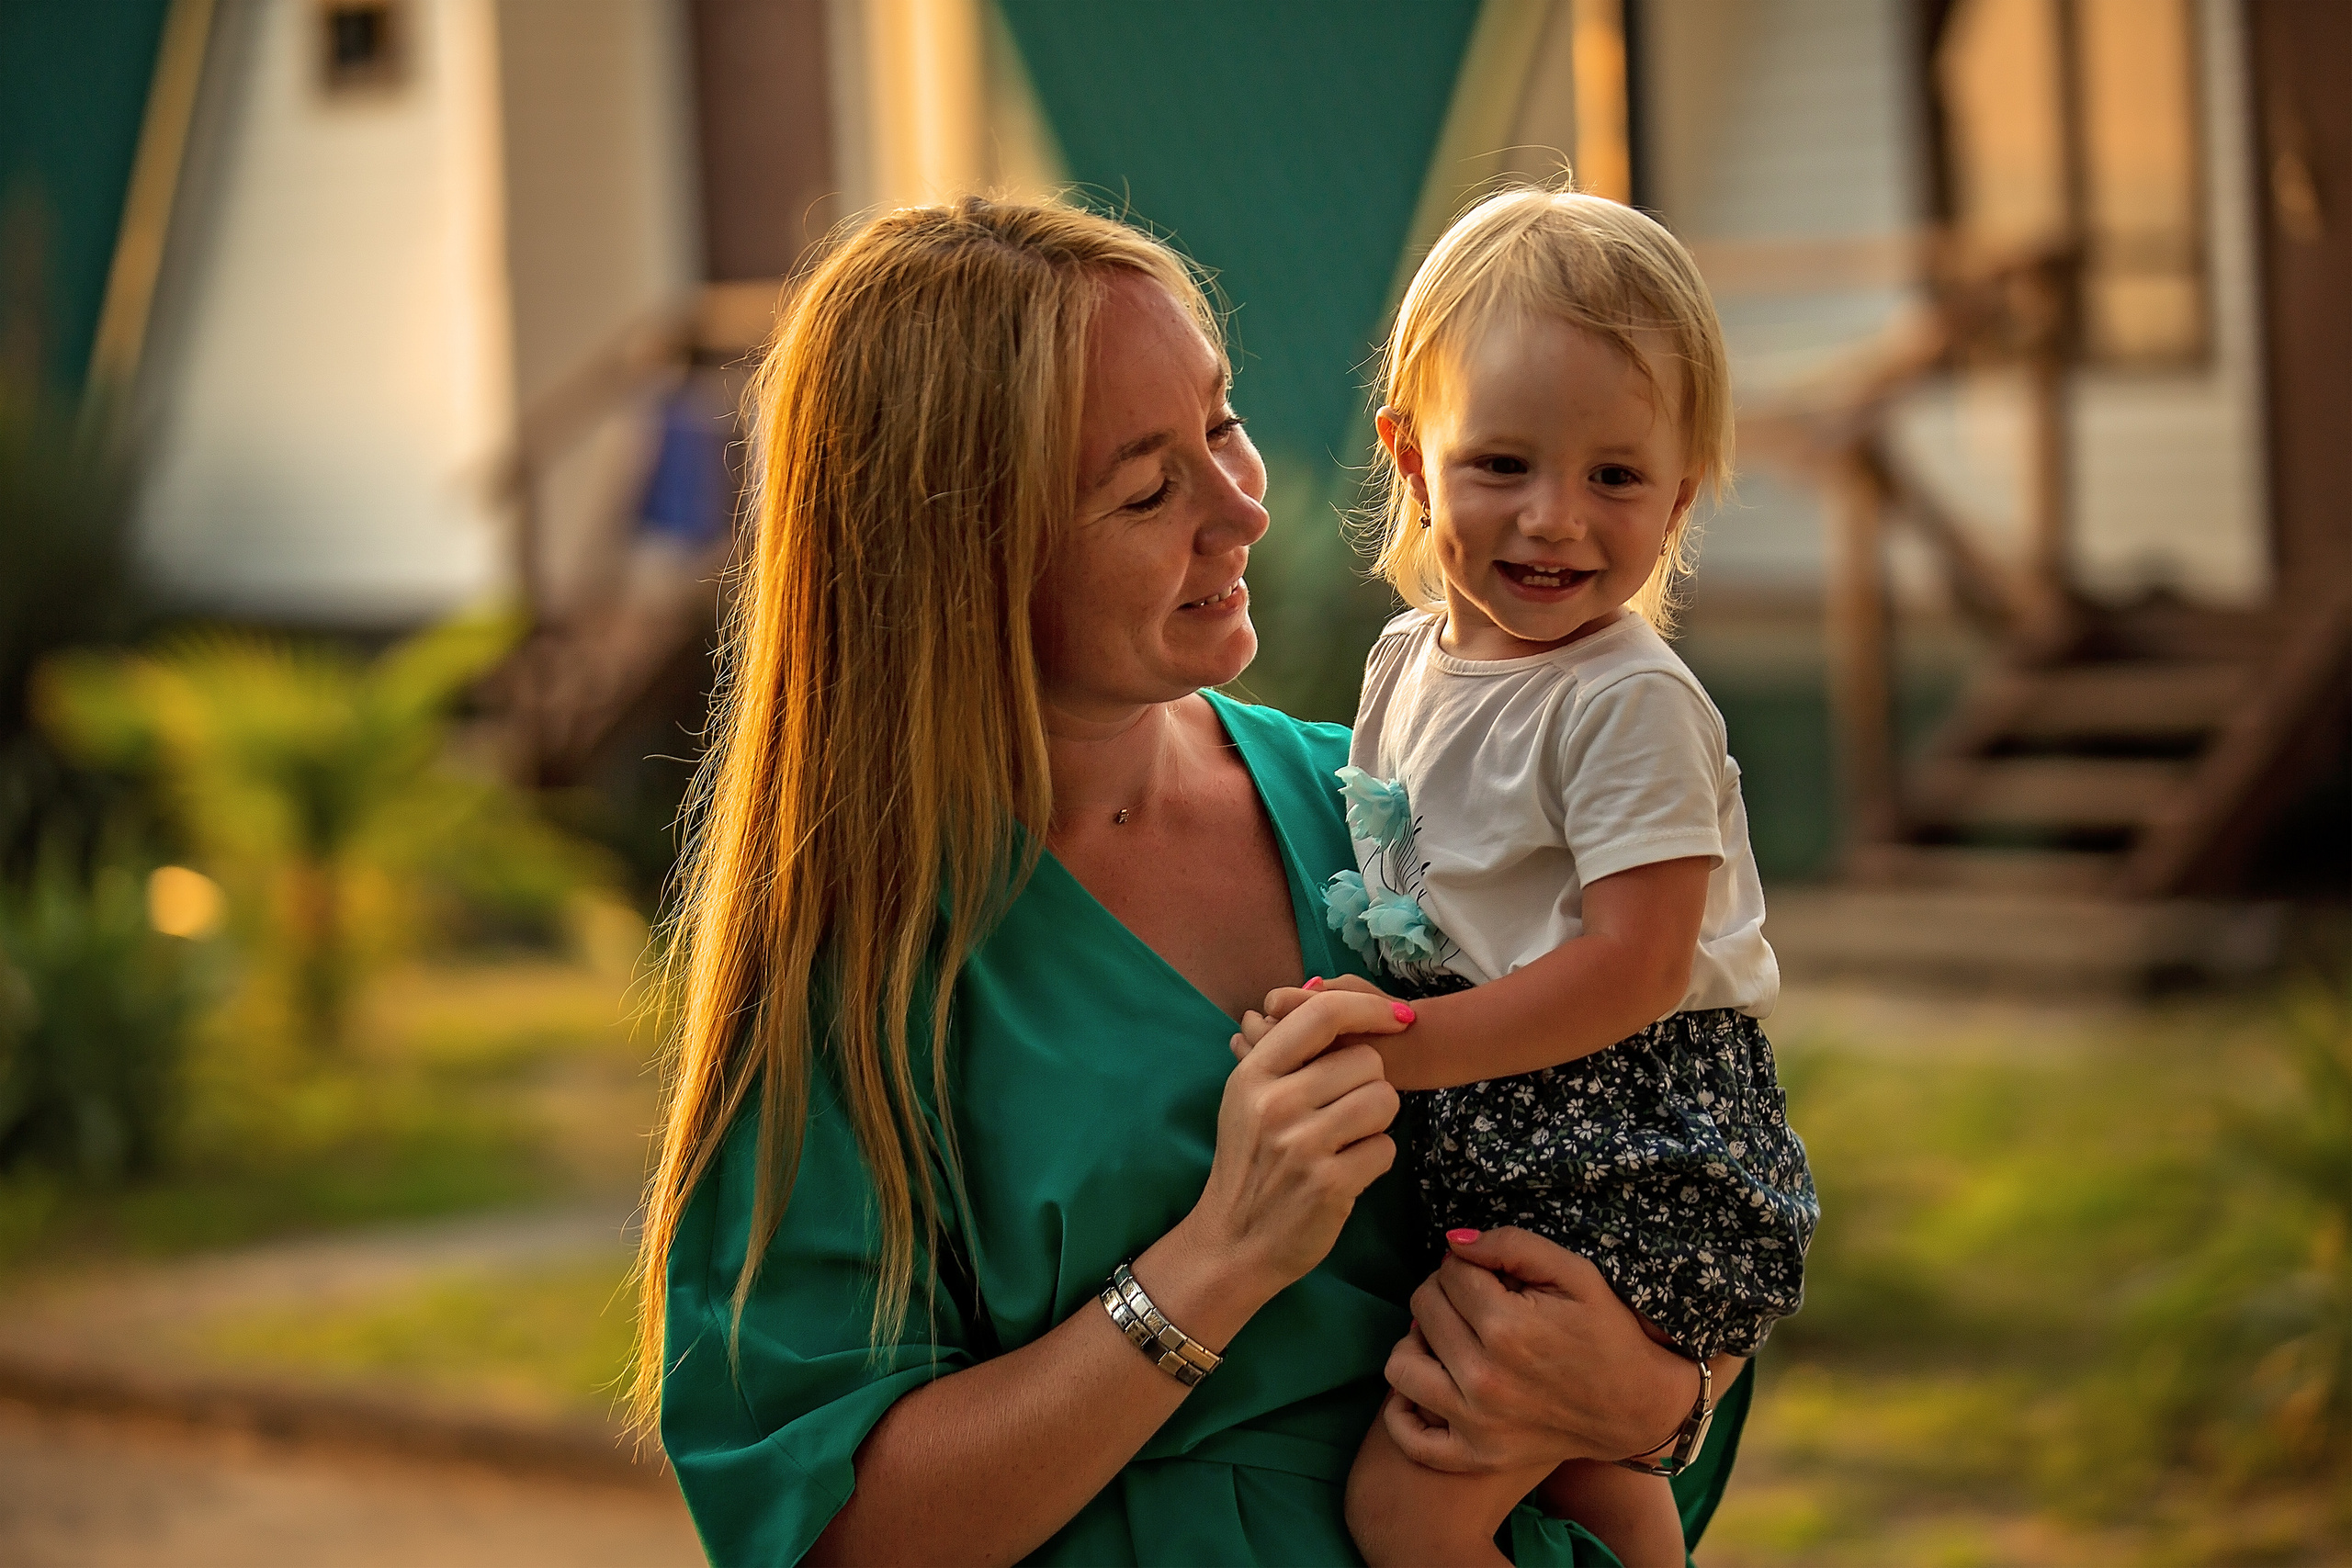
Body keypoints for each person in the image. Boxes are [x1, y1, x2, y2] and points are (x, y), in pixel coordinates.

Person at [631, 195, 1752, 1568]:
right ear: (964, 562)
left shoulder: (1386, 816)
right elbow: (833, 1530)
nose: (1243, 507)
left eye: (1222, 423)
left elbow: (1650, 1185)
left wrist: (1657, 1401)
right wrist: (1215, 1260)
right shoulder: (852, 964)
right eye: (1150, 486)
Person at [1241, 188, 1817, 1567]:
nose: (1556, 522)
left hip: (1631, 1133)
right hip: (1515, 1125)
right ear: (1412, 457)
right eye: (1502, 464)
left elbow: (1637, 965)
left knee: (1408, 1504)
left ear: (1679, 493)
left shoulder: (1626, 702)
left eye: (1615, 479)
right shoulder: (1402, 666)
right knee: (1583, 1483)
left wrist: (1397, 1053)